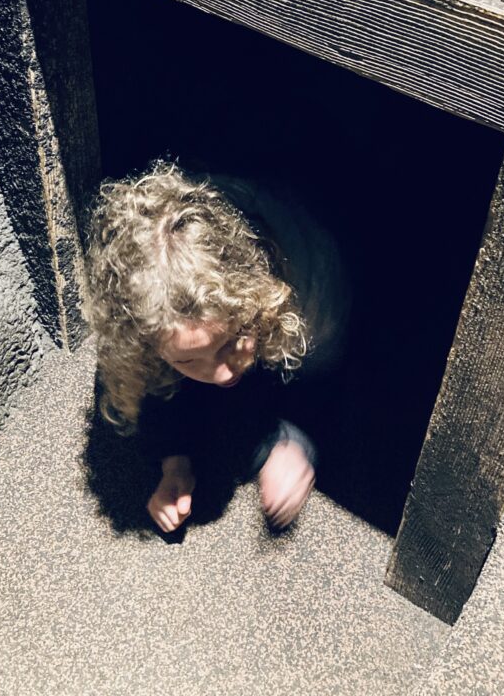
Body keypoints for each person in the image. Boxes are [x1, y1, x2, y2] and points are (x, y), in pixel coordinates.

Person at [85, 162, 349, 533]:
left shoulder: (313, 295)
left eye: (231, 341)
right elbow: (154, 383)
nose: (222, 371)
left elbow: (326, 376)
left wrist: (294, 437)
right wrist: (174, 462)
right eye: (189, 359)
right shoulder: (144, 312)